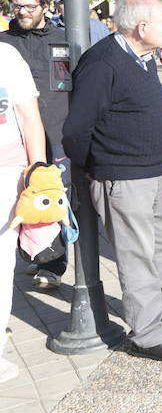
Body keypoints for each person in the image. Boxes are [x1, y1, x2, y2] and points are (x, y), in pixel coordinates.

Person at [63, 0, 162, 361]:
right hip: (121, 176)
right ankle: (147, 335)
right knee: (137, 257)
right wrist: (97, 166)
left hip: (154, 170)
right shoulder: (103, 63)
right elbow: (76, 130)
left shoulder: (142, 59)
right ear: (142, 27)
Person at [0, 0, 69, 289]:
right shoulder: (3, 44)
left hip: (55, 136)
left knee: (50, 201)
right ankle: (27, 252)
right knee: (17, 203)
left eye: (29, 6)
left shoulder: (64, 41)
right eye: (17, 6)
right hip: (15, 140)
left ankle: (53, 265)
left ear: (45, 6)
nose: (22, 12)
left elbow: (72, 89)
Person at [0, 42, 46, 380]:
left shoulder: (6, 56)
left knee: (1, 264)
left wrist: (39, 172)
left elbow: (30, 118)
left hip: (6, 172)